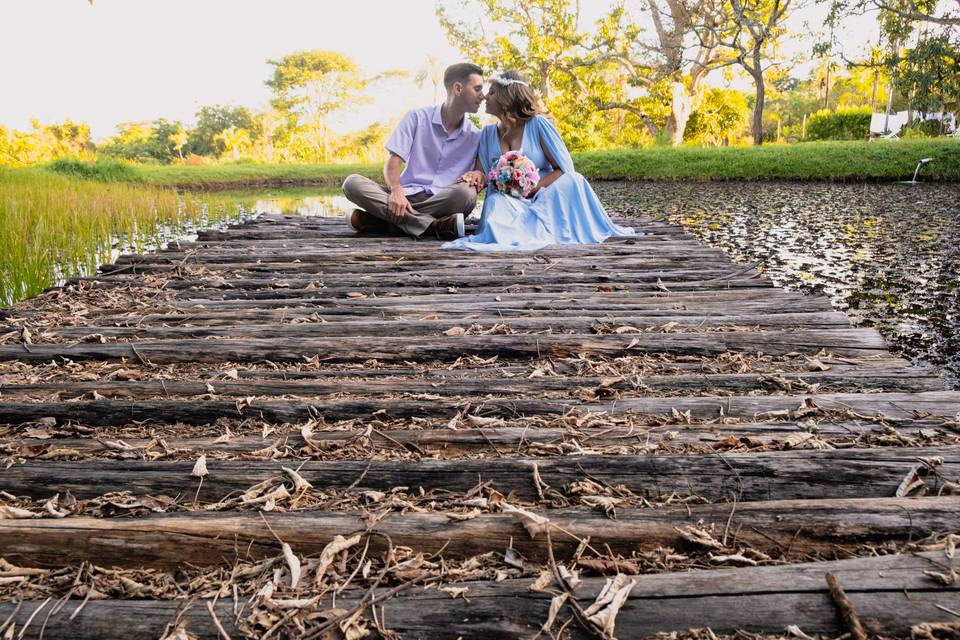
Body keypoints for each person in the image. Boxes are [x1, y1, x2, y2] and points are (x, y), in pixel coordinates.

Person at [443, 71, 638, 252]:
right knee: (495, 202)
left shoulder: (538, 125)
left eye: (492, 92)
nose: (485, 96)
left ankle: (547, 227)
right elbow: (483, 174)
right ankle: (514, 231)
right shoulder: (487, 133)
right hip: (508, 201)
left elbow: (562, 169)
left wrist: (532, 188)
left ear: (506, 98)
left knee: (574, 180)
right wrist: (476, 175)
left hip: (544, 196)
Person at [341, 62, 485, 240]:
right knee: (352, 183)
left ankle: (380, 221)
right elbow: (393, 163)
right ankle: (434, 226)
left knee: (466, 194)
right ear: (458, 88)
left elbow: (479, 176)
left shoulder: (477, 136)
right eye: (477, 89)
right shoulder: (416, 118)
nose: (483, 96)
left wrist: (479, 175)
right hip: (405, 197)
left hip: (444, 201)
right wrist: (396, 190)